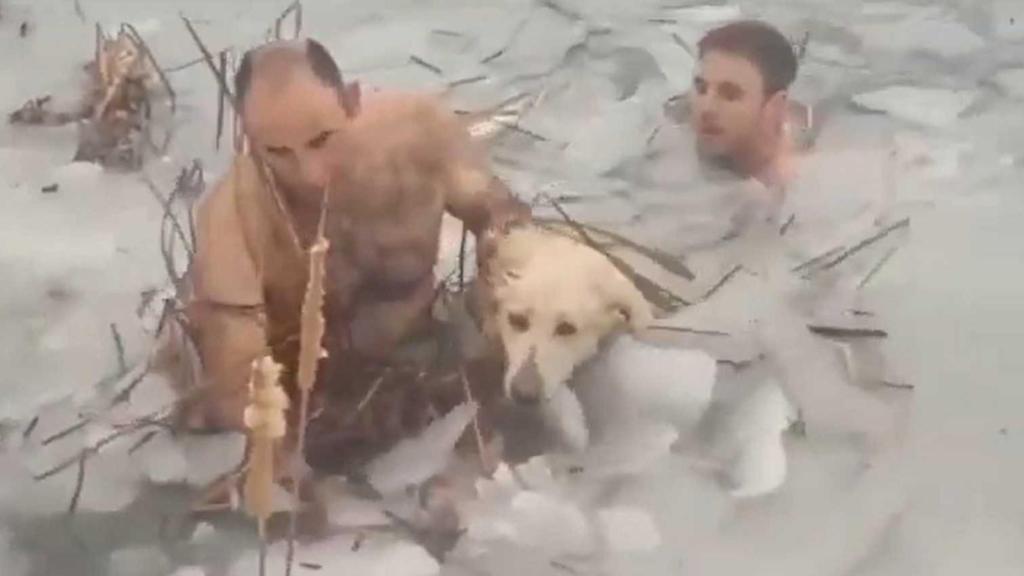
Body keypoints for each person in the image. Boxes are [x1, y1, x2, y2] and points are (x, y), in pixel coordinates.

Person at [180, 39, 531, 439]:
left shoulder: (417, 137)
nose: (309, 173)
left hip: (415, 360)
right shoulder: (231, 220)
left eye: (320, 140)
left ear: (351, 101)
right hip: (304, 406)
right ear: (249, 137)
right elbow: (238, 388)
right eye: (277, 153)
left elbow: (499, 216)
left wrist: (501, 261)